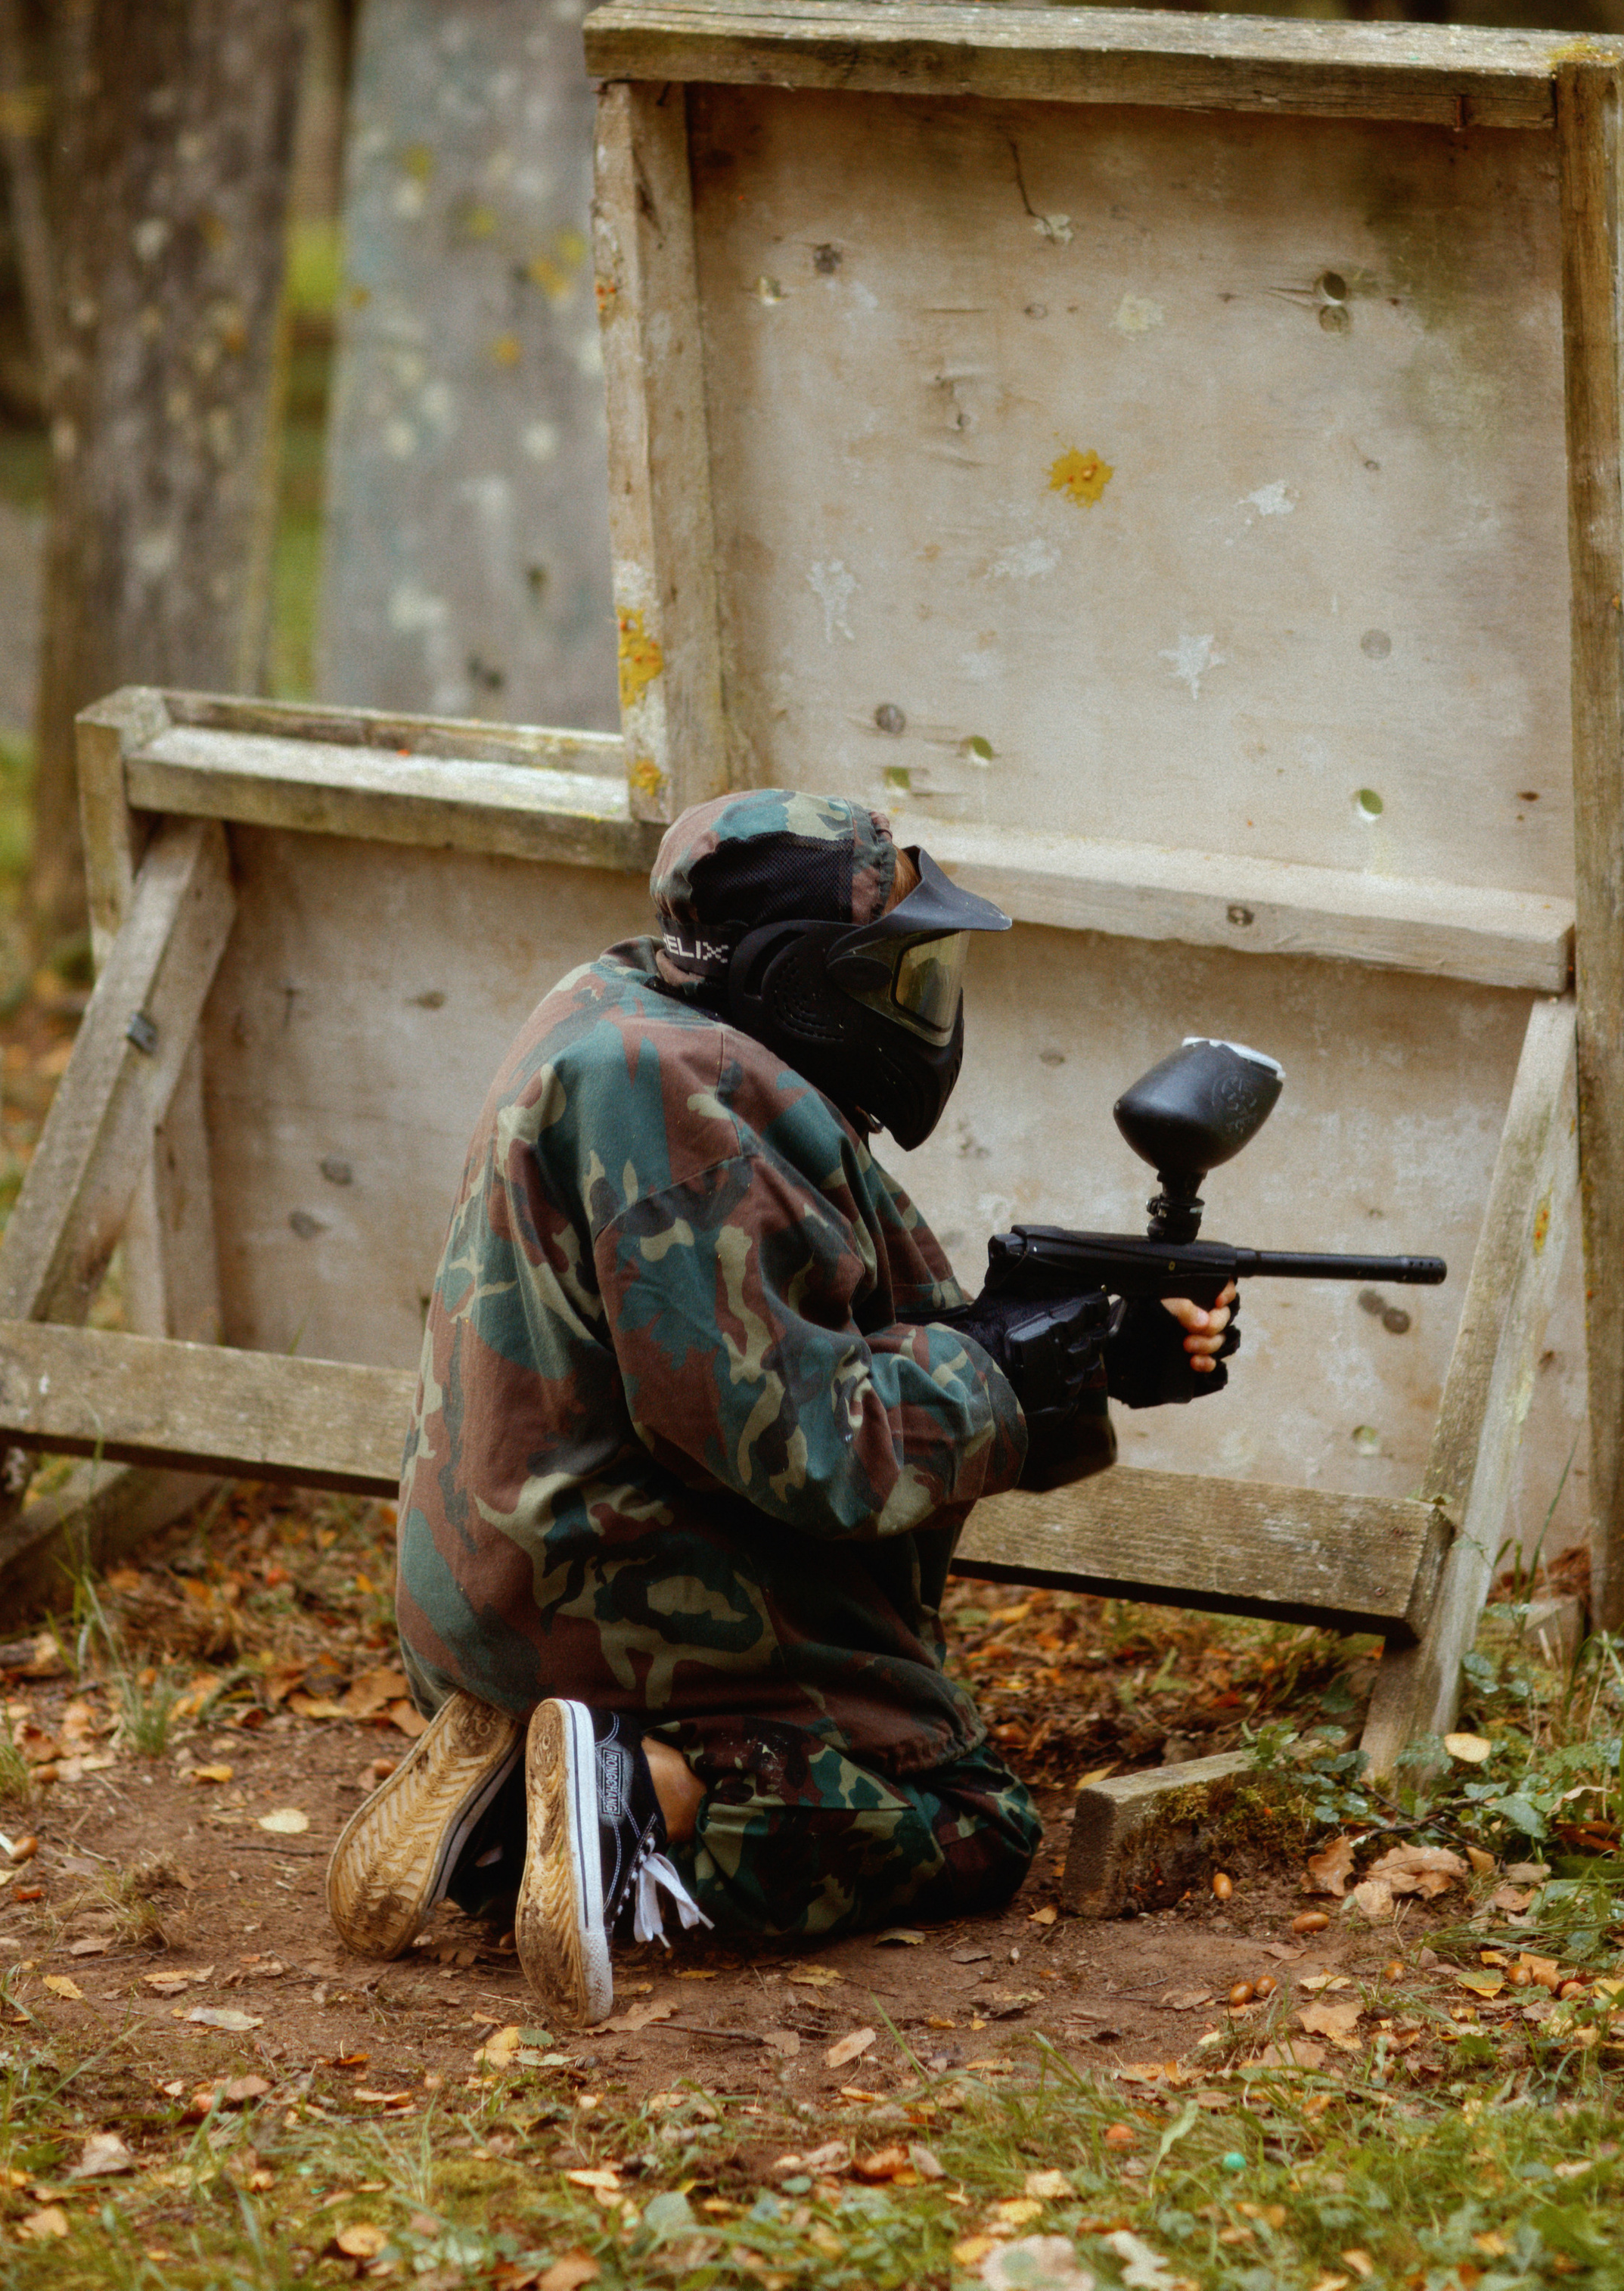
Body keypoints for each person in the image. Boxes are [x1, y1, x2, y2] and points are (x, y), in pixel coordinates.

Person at [325, 790, 1231, 2022]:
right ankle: (633, 1792)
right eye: (898, 977)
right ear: (799, 977)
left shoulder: (618, 1023)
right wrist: (1015, 1373)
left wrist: (1087, 1361)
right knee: (965, 1820)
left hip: (508, 1585)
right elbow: (802, 1446)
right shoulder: (685, 1104)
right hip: (601, 1603)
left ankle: (505, 1820)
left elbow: (788, 1346)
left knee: (907, 1748)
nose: (926, 1012)